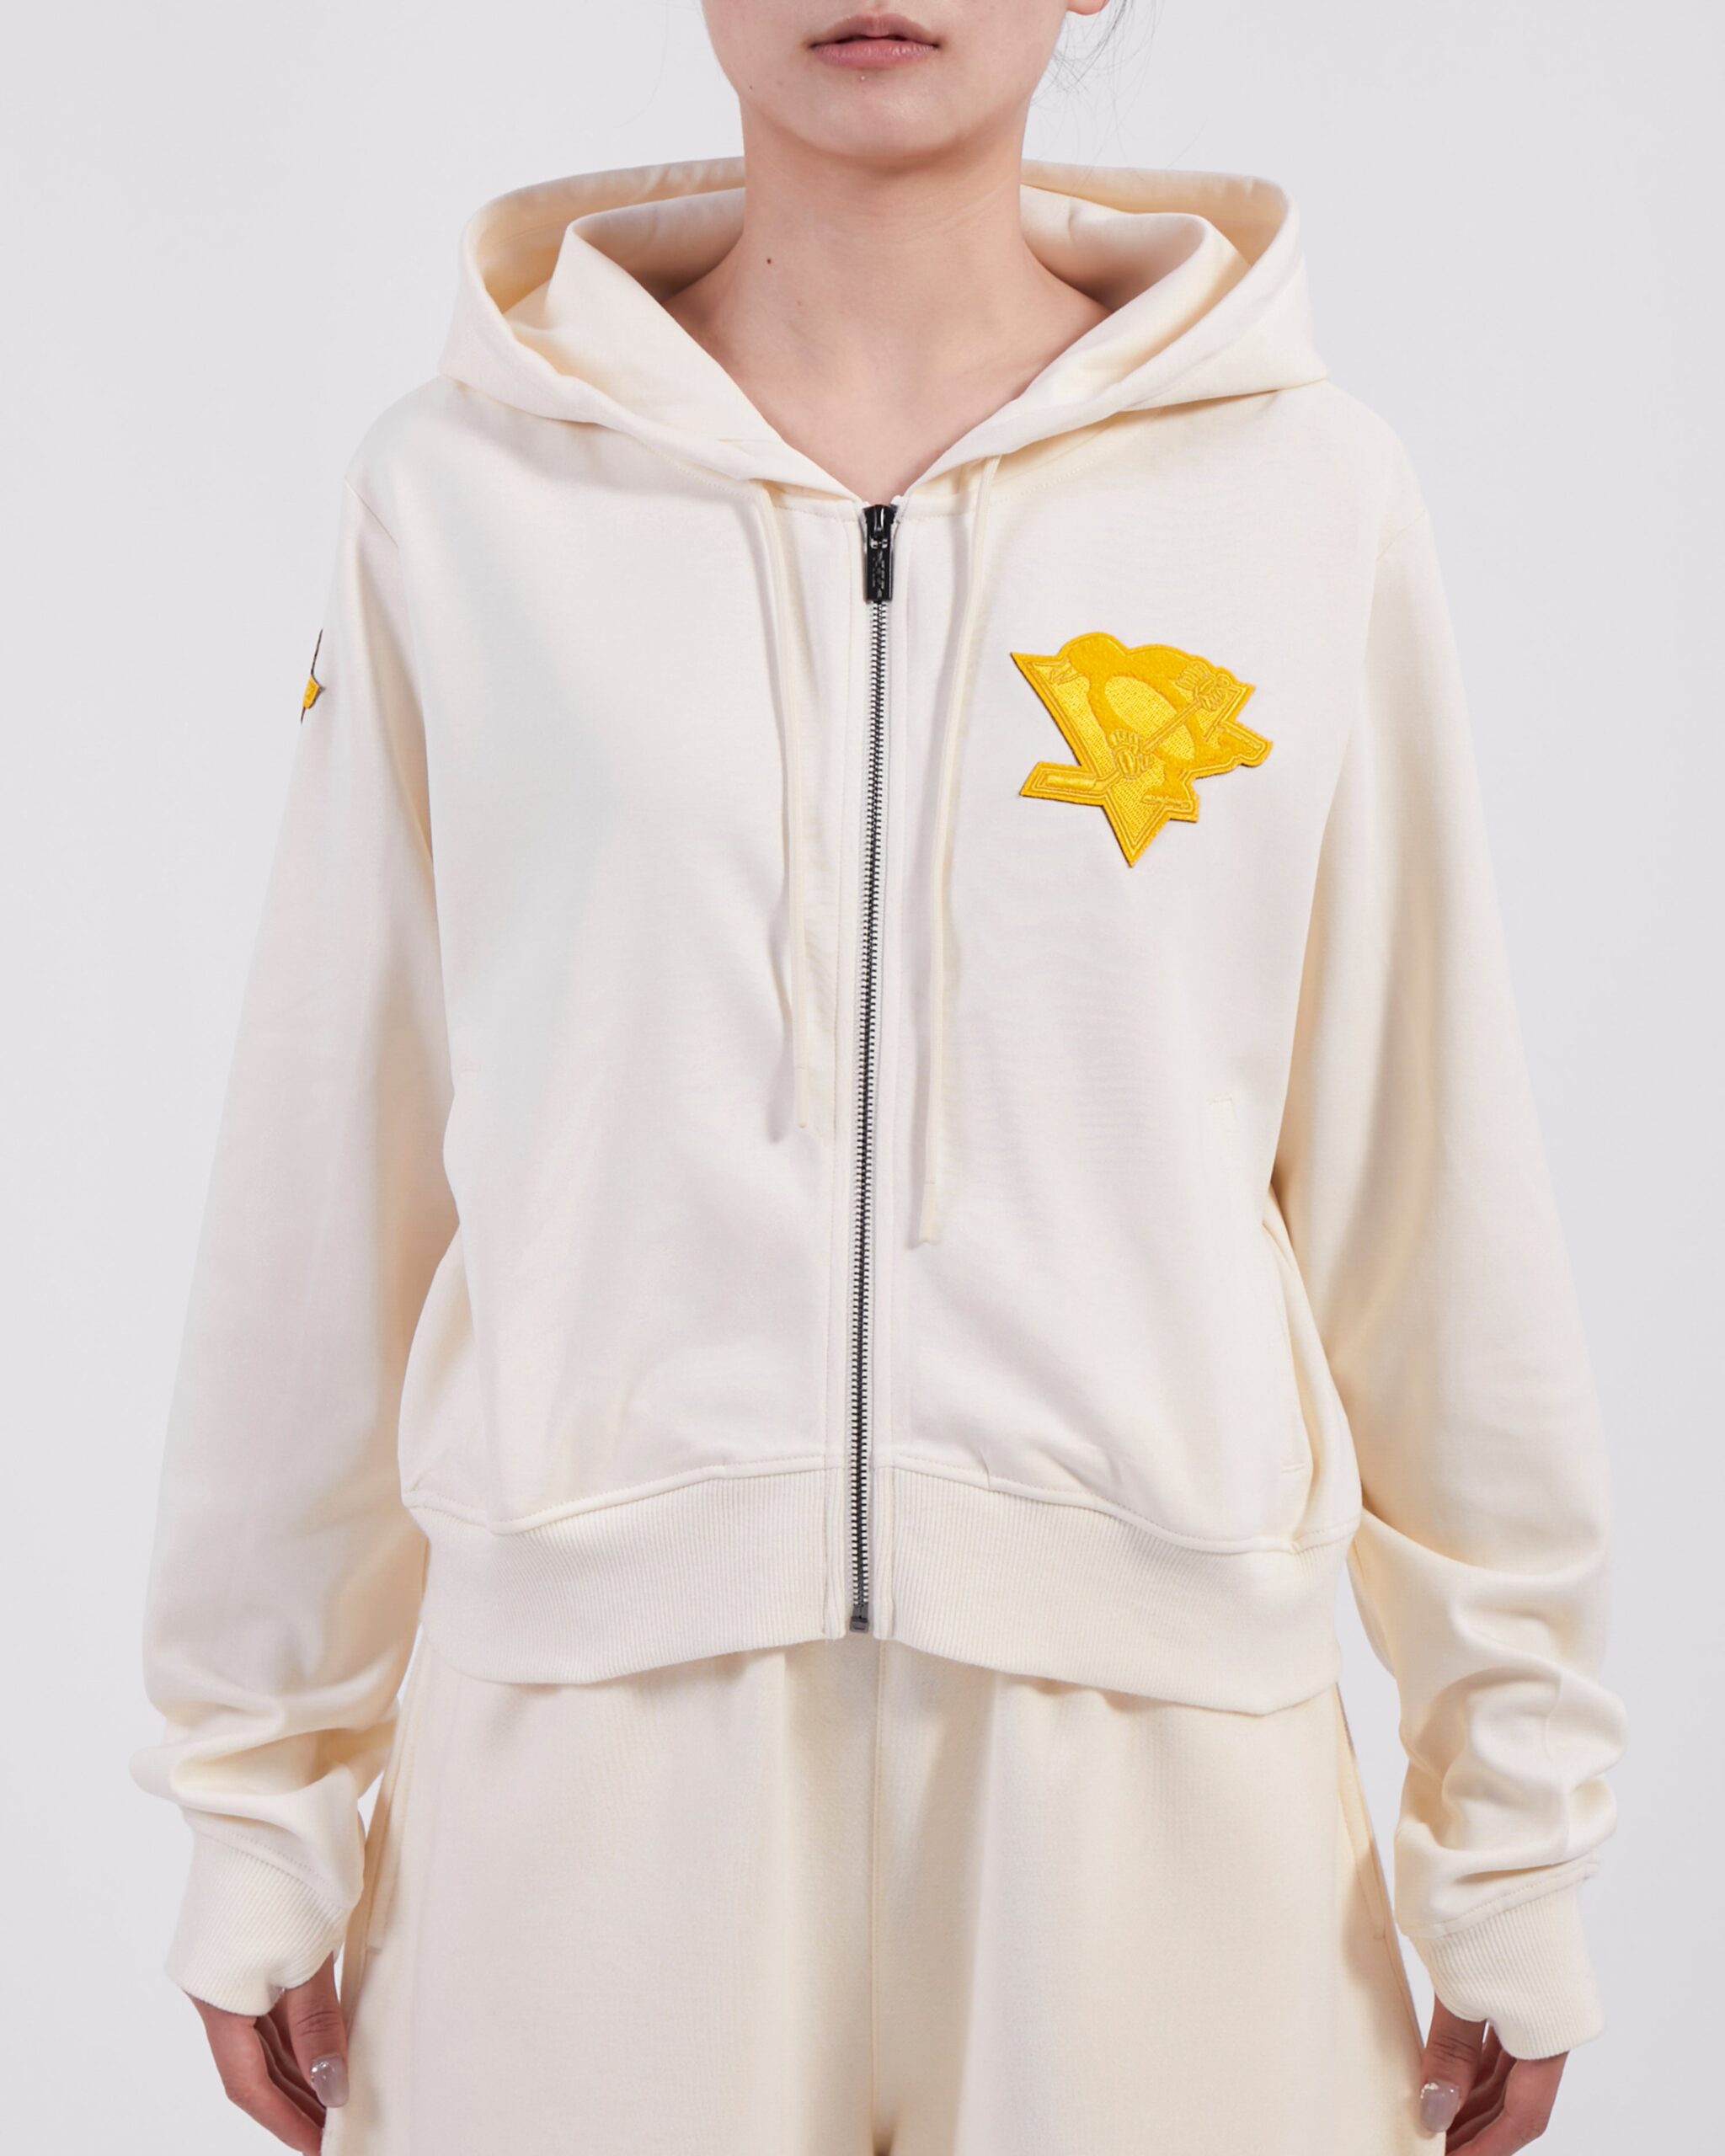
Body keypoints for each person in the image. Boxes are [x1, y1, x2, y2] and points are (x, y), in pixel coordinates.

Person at [130, 6, 1626, 2152]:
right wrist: (261, 1781)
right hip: (591, 1765)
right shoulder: (456, 500)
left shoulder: (1302, 498)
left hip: (1160, 1766)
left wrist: (1511, 1817)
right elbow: (328, 1158)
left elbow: (1425, 1175)